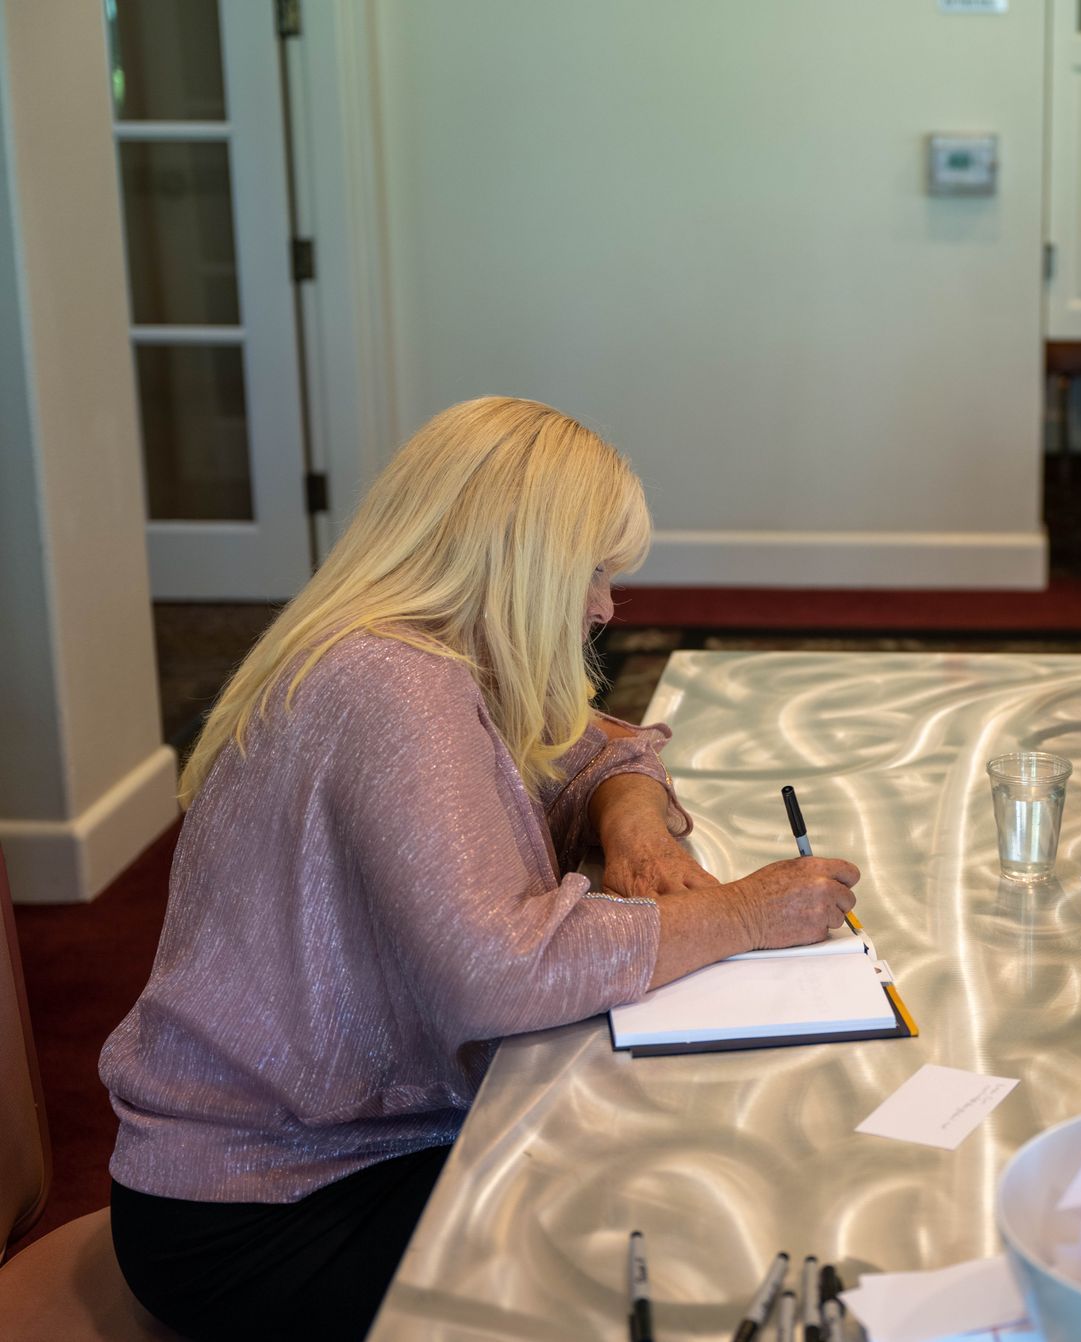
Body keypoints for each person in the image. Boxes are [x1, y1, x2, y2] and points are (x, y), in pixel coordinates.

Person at [99, 397, 861, 1339]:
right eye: (593, 572)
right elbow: (499, 973)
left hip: (332, 1151)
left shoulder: (422, 653)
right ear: (522, 560)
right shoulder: (391, 687)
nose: (605, 606)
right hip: (272, 1207)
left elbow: (598, 746)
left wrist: (632, 821)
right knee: (676, 1230)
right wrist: (744, 915)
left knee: (669, 1167)